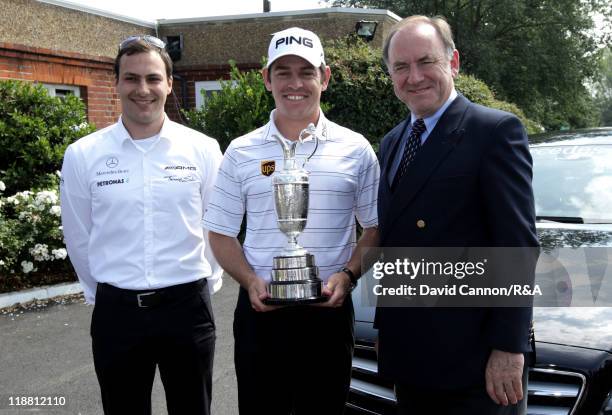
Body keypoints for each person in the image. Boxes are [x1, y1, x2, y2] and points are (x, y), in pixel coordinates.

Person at [203, 27, 379, 415]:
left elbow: (376, 229)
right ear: (266, 79)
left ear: (325, 78)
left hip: (329, 315)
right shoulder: (241, 151)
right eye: (283, 72)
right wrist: (250, 281)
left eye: (306, 71)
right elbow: (220, 232)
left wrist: (347, 277)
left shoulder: (356, 149)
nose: (295, 83)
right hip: (262, 312)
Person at [374, 16, 539, 415]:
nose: (414, 77)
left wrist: (508, 346)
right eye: (400, 67)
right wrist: (385, 324)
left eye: (425, 61)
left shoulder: (494, 131)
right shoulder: (392, 142)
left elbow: (517, 246)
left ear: (454, 62)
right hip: (413, 360)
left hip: (475, 365)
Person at [60, 35, 222, 415]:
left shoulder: (203, 149)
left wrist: (204, 284)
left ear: (168, 82)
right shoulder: (84, 155)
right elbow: (79, 236)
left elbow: (215, 226)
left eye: (152, 78)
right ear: (115, 83)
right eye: (131, 79)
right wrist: (104, 292)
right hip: (118, 314)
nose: (142, 89)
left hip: (188, 310)